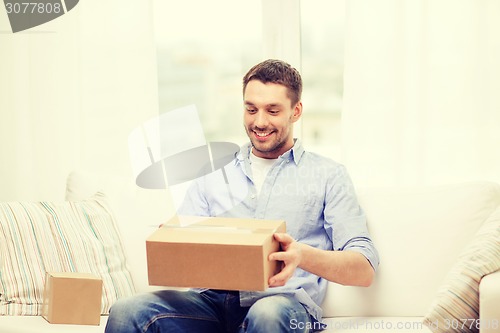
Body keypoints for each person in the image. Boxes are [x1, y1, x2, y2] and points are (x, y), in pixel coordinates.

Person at [105, 59, 379, 333]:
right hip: (209, 303)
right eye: (251, 109)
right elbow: (185, 241)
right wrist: (174, 239)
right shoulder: (212, 171)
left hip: (281, 303)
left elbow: (364, 269)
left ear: (296, 111)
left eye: (273, 110)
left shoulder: (328, 175)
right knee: (128, 311)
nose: (259, 122)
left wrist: (301, 255)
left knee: (268, 315)